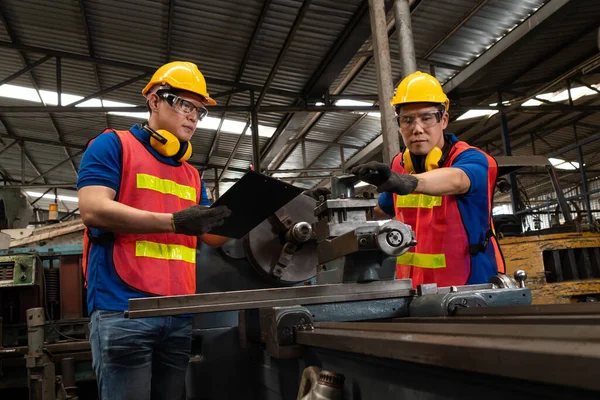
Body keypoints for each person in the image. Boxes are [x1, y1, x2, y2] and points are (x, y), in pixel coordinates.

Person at [77, 61, 232, 400]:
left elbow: (211, 236)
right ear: (155, 100)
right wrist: (175, 222)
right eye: (185, 104)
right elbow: (92, 209)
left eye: (199, 110)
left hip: (177, 314)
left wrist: (254, 212)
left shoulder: (191, 174)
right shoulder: (112, 146)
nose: (193, 116)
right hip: (124, 309)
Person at [351, 71, 505, 288]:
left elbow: (458, 179)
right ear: (399, 124)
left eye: (426, 118)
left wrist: (409, 182)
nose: (417, 129)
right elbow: (381, 210)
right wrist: (340, 206)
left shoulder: (472, 159)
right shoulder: (399, 165)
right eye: (407, 120)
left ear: (443, 119)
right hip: (413, 288)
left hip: (470, 285)